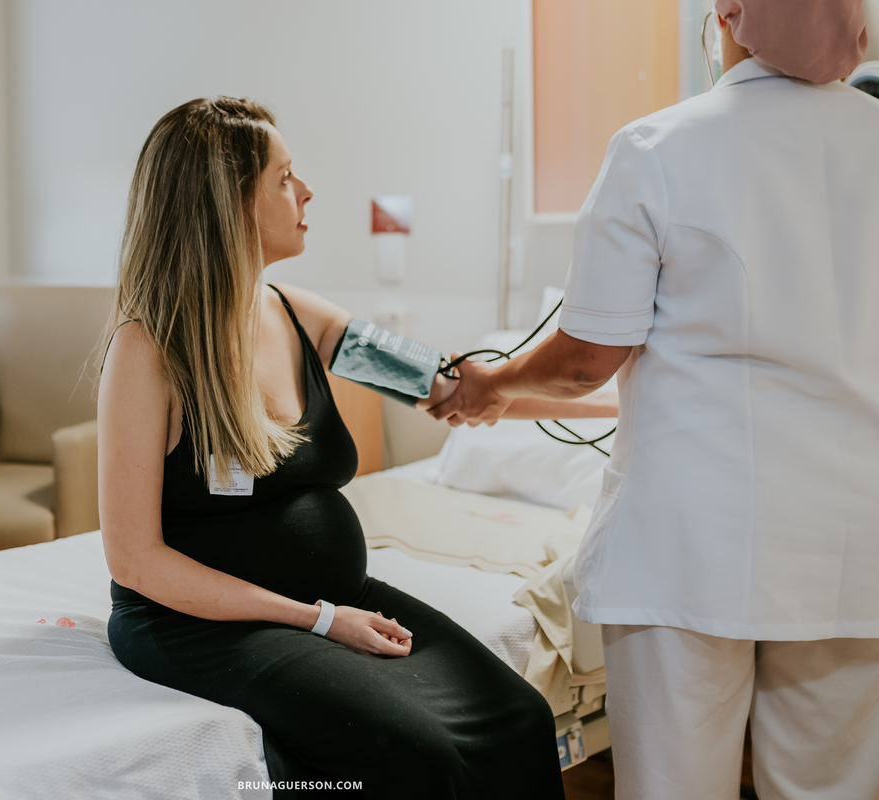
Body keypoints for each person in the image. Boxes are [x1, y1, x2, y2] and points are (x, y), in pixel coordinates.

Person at [430, 1, 879, 798]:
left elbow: (584, 361)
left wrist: (495, 381)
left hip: (695, 545)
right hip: (862, 545)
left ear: (726, 15)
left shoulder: (658, 146)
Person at [97, 97, 617, 797]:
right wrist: (318, 620)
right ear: (228, 203)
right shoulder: (146, 350)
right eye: (284, 178)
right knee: (419, 754)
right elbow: (135, 560)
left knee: (520, 717)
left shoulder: (292, 312)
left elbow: (448, 387)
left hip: (329, 597)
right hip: (200, 623)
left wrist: (622, 398)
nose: (306, 191)